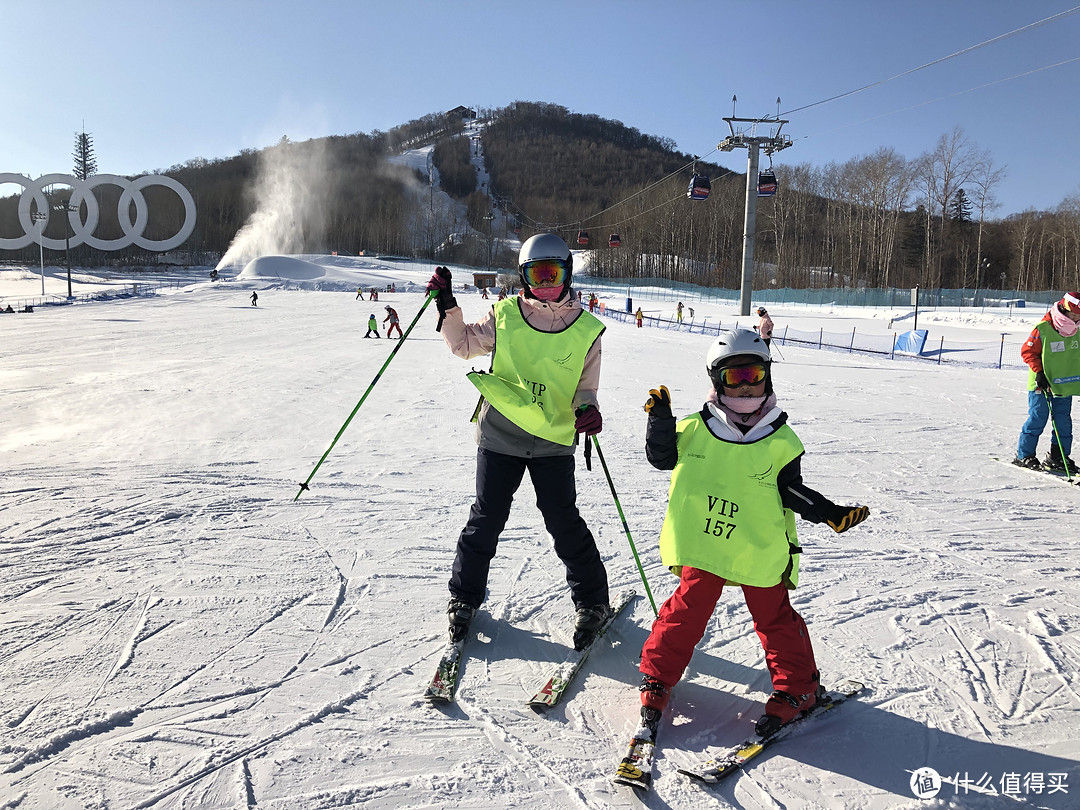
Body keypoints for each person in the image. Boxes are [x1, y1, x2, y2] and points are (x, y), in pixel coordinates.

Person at [634, 328, 870, 737]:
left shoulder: (780, 438)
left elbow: (790, 490)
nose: (746, 386)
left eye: (754, 375)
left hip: (757, 545)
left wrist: (829, 513)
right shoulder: (694, 428)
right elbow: (663, 458)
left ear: (768, 376)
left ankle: (798, 690)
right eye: (734, 377)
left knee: (774, 618)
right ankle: (657, 676)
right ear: (716, 380)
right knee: (686, 612)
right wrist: (659, 421)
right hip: (706, 543)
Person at [425, 233, 611, 651]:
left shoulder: (586, 329)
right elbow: (463, 344)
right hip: (501, 433)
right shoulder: (505, 314)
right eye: (536, 274)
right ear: (524, 277)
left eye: (554, 273)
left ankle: (593, 602)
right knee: (486, 518)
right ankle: (464, 597)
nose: (546, 283)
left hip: (553, 440)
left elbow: (586, 387)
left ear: (567, 274)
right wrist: (447, 306)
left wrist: (588, 410)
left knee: (563, 521)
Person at [1015, 291, 1080, 473]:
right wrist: (1039, 372)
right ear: (1064, 310)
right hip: (1041, 383)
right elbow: (1028, 352)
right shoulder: (1043, 328)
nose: (1075, 318)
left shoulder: (1078, 329)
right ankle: (1024, 454)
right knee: (1038, 418)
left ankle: (1058, 457)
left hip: (1064, 383)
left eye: (1078, 315)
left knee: (1063, 423)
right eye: (1073, 314)